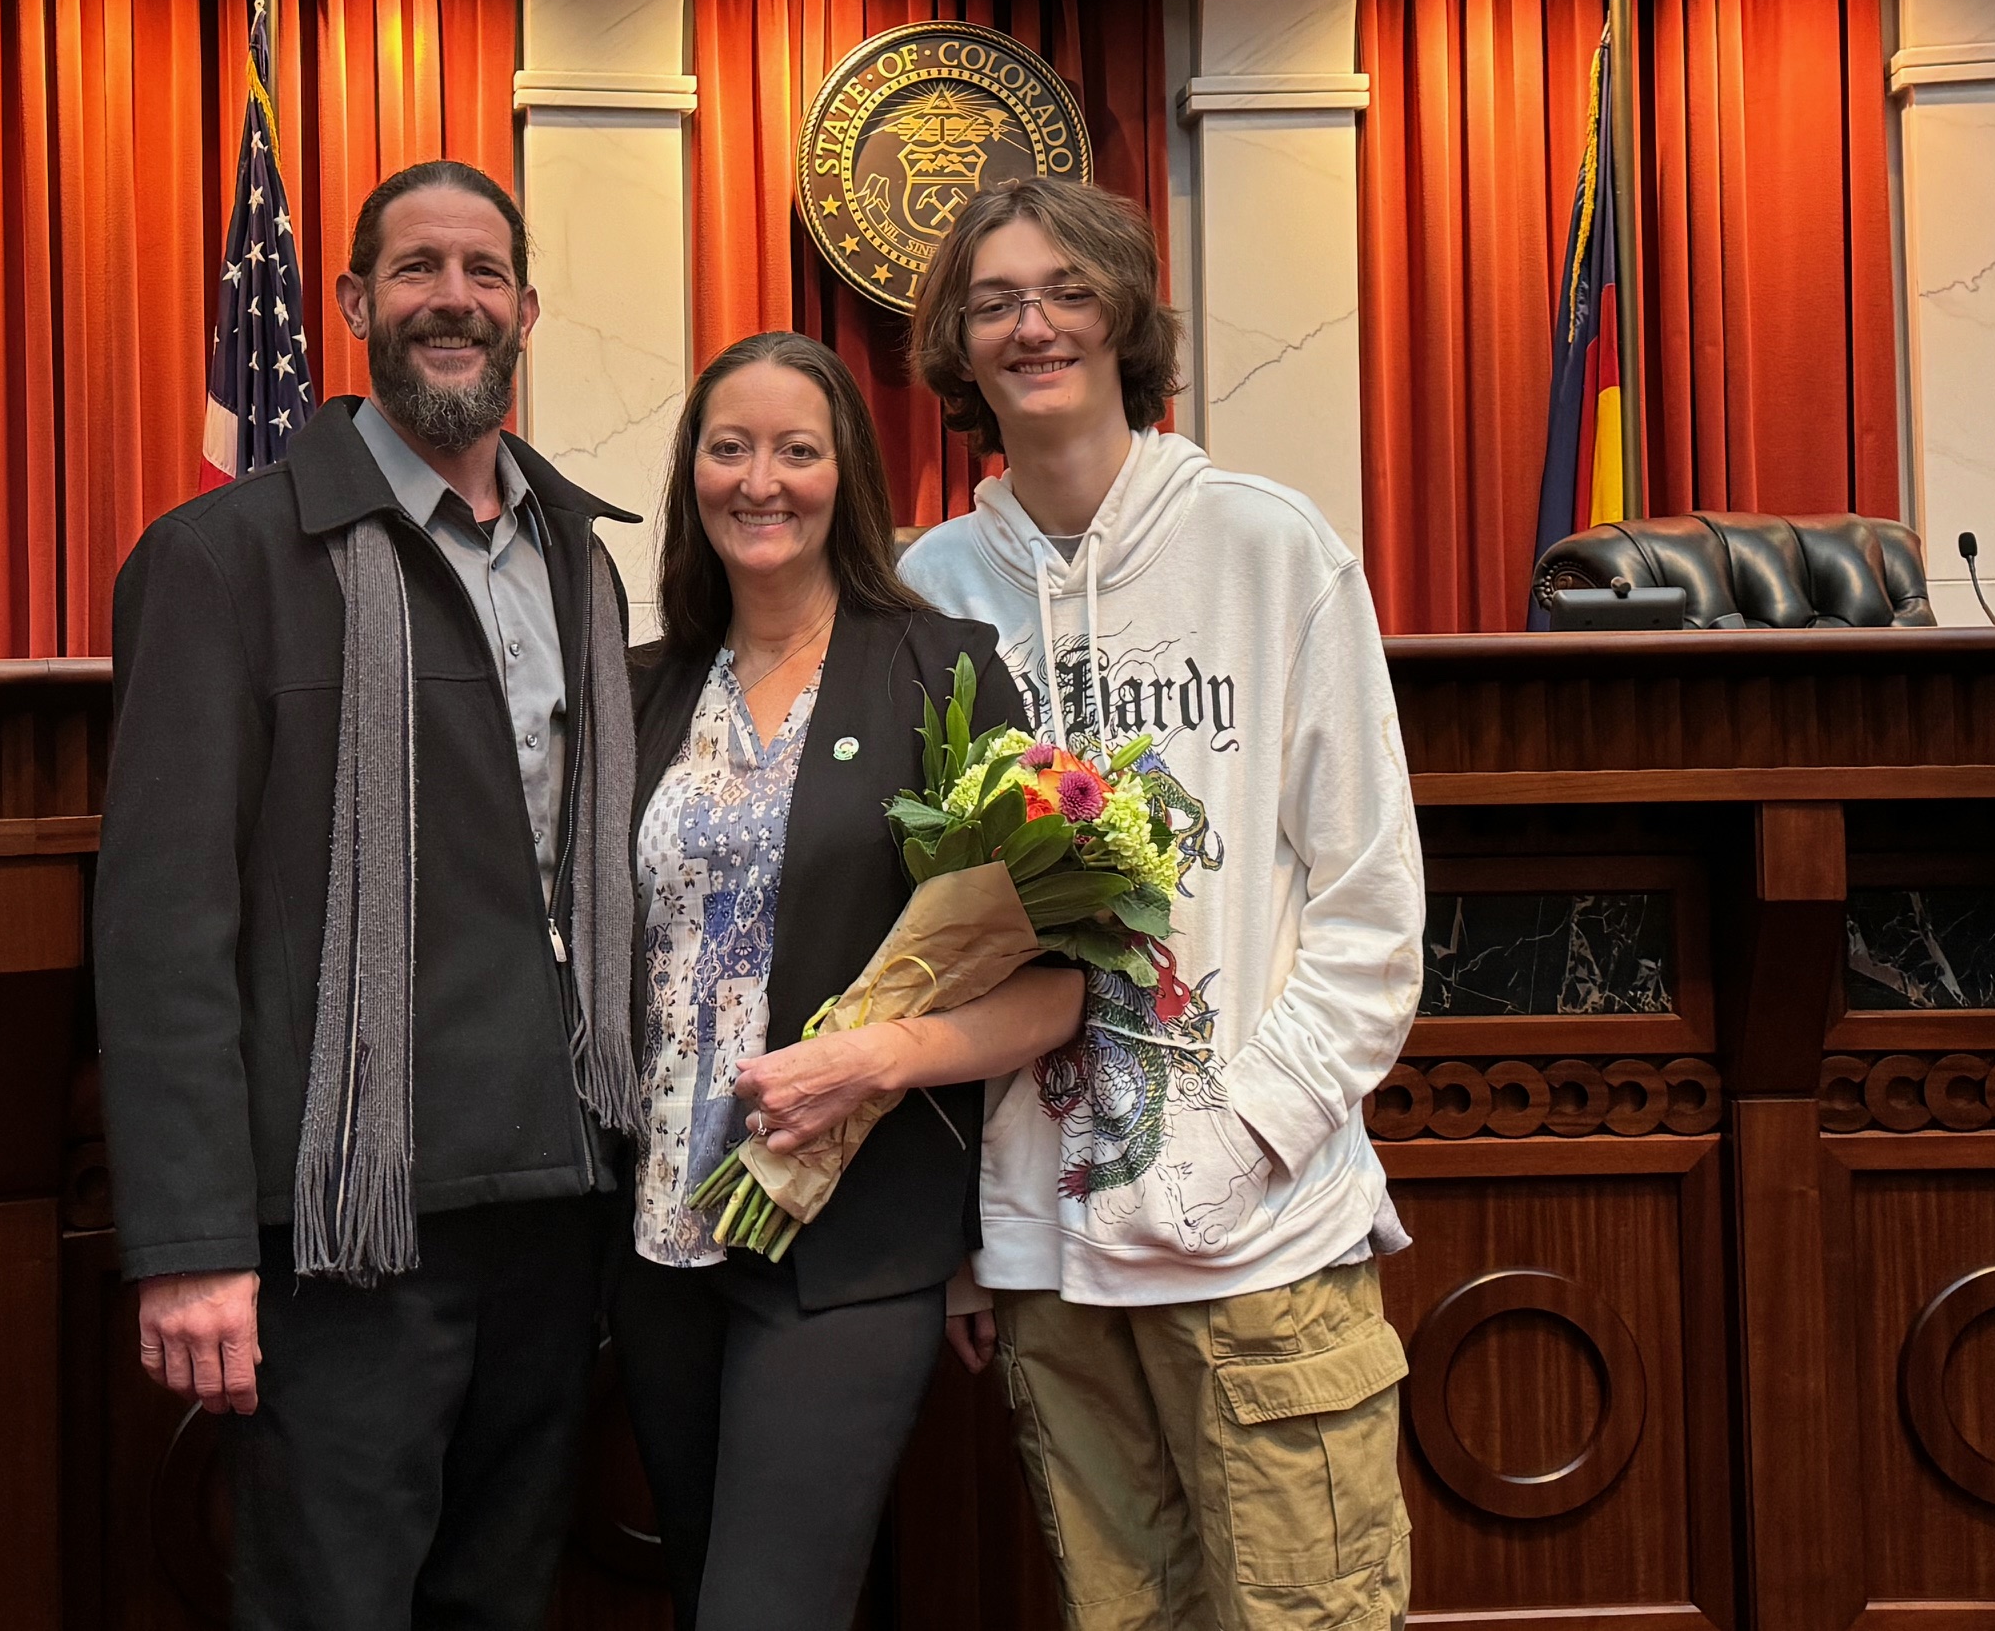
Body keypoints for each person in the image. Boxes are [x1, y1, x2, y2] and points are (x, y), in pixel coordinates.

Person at [92, 160, 640, 1631]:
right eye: (415, 271)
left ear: (527, 308)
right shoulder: (222, 562)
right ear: (350, 304)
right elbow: (161, 932)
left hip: (560, 1204)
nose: (450, 299)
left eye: (481, 271)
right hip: (346, 1238)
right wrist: (193, 1244)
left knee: (505, 1603)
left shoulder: (583, 559)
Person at [899, 177, 1426, 1631]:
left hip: (1258, 1231)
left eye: (1067, 288)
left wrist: (1248, 1130)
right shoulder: (924, 591)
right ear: (958, 342)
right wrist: (965, 1233)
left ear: (1126, 315)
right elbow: (916, 953)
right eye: (995, 299)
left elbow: (1374, 909)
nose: (1033, 323)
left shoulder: (1273, 547)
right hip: (1046, 1255)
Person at [619, 329, 1087, 1631]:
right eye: (729, 447)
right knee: (716, 1584)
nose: (759, 479)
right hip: (661, 1243)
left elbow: (1058, 988)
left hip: (851, 1242)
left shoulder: (943, 669)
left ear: (848, 477)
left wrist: (876, 1059)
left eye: (796, 449)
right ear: (692, 474)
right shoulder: (637, 691)